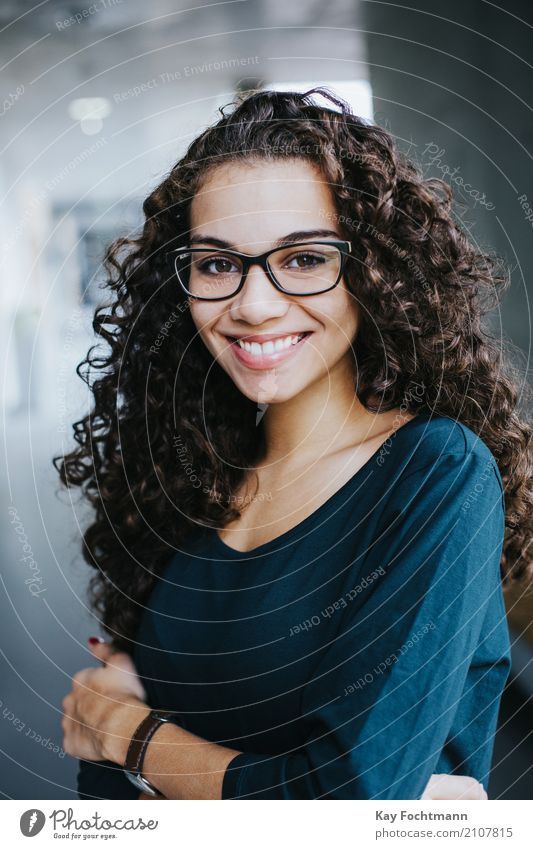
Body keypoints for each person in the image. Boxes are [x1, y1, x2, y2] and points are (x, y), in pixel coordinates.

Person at [56, 88, 531, 800]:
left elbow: (341, 801)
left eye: (305, 258)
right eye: (217, 264)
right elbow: (109, 797)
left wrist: (130, 733)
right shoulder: (190, 476)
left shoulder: (434, 473)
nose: (253, 304)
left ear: (376, 272)